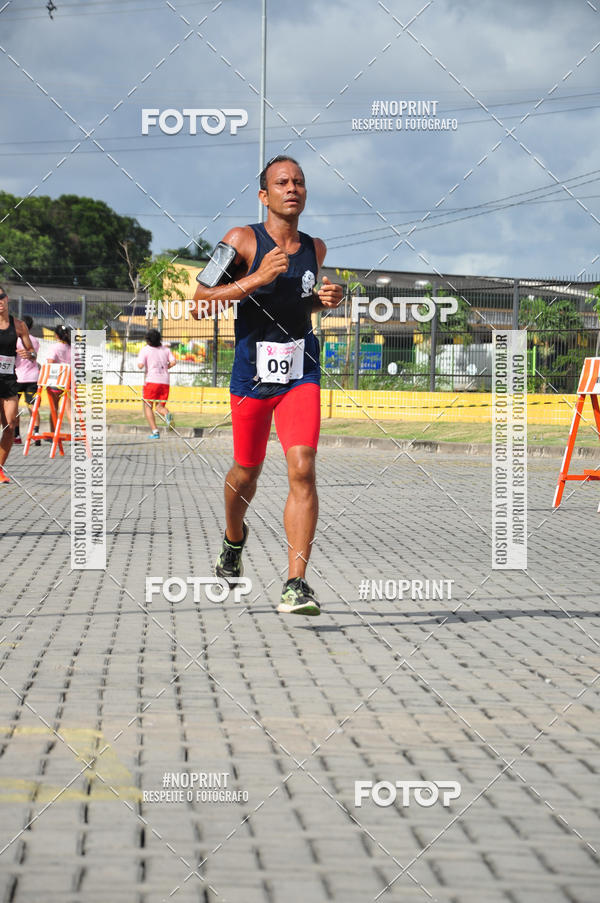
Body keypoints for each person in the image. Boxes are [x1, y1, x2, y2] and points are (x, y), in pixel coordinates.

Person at [192, 155, 343, 616]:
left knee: (303, 467)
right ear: (264, 195)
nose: (291, 188)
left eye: (298, 182)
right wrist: (257, 276)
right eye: (282, 182)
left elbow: (302, 308)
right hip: (252, 373)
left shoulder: (315, 249)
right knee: (246, 470)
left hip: (301, 369)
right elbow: (200, 302)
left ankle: (296, 583)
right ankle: (233, 539)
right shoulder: (240, 240)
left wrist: (330, 300)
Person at [0, 287, 36, 483]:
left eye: (1, 297)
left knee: (10, 424)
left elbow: (32, 351)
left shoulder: (19, 326)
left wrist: (29, 354)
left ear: (7, 299)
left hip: (8, 380)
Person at [137, 329, 176, 437]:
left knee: (148, 406)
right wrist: (166, 367)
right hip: (164, 382)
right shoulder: (165, 349)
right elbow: (173, 362)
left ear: (148, 340)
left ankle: (155, 431)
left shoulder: (145, 350)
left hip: (151, 381)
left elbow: (140, 365)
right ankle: (167, 414)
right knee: (159, 408)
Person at [14, 315, 41, 446]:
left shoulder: (17, 340)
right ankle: (36, 434)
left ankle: (17, 435)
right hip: (33, 377)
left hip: (18, 377)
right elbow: (34, 355)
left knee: (14, 407)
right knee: (32, 406)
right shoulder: (35, 340)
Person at [45, 324, 72, 434]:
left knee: (53, 408)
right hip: (69, 382)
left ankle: (54, 433)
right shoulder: (73, 348)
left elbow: (50, 363)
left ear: (56, 335)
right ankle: (75, 433)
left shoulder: (54, 347)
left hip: (56, 381)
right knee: (69, 409)